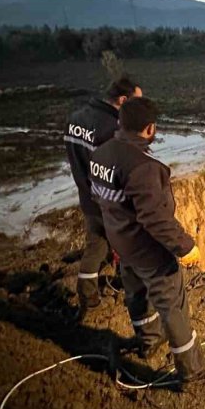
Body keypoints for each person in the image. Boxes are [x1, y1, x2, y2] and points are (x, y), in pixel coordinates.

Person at [89, 97, 205, 384]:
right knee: (172, 306)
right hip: (150, 253)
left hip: (122, 245)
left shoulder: (99, 155)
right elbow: (155, 218)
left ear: (121, 123)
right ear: (150, 129)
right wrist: (185, 246)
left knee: (137, 296)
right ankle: (192, 372)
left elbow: (100, 200)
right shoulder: (144, 168)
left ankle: (149, 341)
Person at [64, 75, 142, 312]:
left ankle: (88, 297)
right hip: (110, 202)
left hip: (88, 197)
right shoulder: (112, 129)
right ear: (122, 99)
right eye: (136, 102)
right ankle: (134, 297)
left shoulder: (75, 119)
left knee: (96, 244)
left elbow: (77, 161)